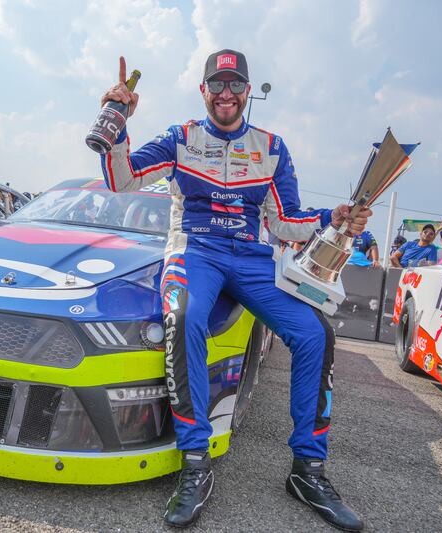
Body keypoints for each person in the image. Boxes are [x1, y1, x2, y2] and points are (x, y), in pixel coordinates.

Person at [98, 50, 371, 530]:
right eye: (217, 84)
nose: (226, 94)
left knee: (315, 334)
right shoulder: (180, 137)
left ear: (248, 91)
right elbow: (121, 180)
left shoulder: (272, 147)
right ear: (203, 90)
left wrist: (335, 218)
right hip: (195, 251)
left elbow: (286, 224)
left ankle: (309, 469)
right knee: (184, 318)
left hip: (251, 256)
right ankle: (196, 464)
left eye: (235, 84)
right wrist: (118, 125)